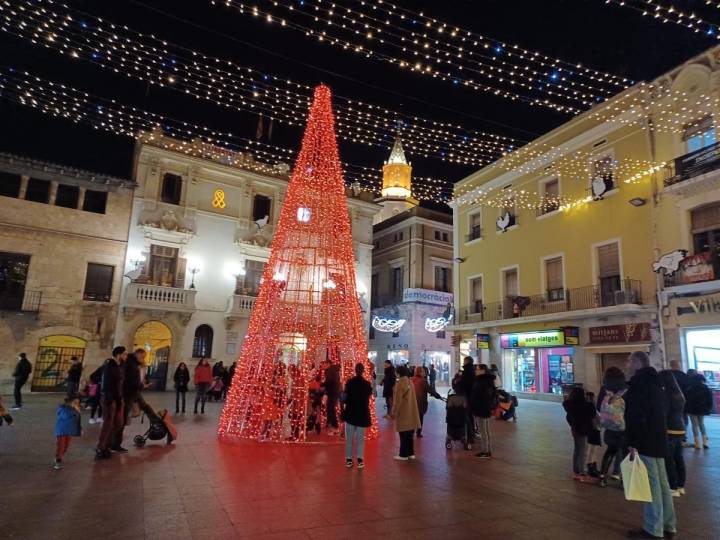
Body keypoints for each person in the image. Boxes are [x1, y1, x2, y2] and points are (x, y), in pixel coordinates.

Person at [624, 351, 676, 539]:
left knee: (652, 486)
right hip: (659, 440)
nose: (626, 364)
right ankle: (668, 525)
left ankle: (653, 529)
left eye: (629, 361)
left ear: (637, 363)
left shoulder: (640, 386)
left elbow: (637, 417)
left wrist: (633, 442)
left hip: (645, 441)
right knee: (662, 484)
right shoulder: (657, 384)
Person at [115, 348, 156, 452]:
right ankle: (115, 444)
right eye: (142, 357)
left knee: (145, 406)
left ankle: (156, 422)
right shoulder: (131, 365)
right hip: (129, 393)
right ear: (138, 354)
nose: (143, 359)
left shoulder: (133, 364)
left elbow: (134, 380)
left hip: (134, 392)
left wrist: (141, 384)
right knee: (123, 418)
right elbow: (131, 381)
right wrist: (142, 386)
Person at [95, 346, 127, 461]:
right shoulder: (109, 365)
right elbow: (101, 379)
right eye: (124, 354)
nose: (125, 356)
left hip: (118, 398)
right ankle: (101, 448)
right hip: (109, 399)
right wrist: (108, 396)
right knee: (108, 424)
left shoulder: (119, 366)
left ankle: (106, 445)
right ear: (118, 354)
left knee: (119, 422)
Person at [597, 366, 627, 487]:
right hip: (621, 428)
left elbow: (598, 405)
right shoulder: (624, 390)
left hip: (608, 428)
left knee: (610, 451)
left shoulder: (604, 390)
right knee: (624, 453)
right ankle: (623, 481)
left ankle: (602, 477)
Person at [658, 370, 686, 497]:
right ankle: (681, 485)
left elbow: (664, 413)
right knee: (679, 458)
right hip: (680, 428)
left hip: (669, 429)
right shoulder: (679, 394)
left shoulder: (666, 394)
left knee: (669, 460)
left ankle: (672, 486)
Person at [341, 362, 373, 469]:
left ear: (355, 370)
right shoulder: (367, 384)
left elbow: (344, 398)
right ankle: (360, 459)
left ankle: (349, 459)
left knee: (349, 438)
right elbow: (369, 395)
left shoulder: (349, 383)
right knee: (360, 439)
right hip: (362, 413)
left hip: (350, 413)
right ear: (363, 371)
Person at [562, 386, 597, 481]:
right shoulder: (587, 405)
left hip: (575, 429)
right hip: (584, 429)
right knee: (582, 450)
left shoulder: (570, 405)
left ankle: (576, 470)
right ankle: (581, 471)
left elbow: (568, 415)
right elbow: (593, 415)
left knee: (577, 449)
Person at [391, 365, 421, 461]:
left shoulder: (400, 383)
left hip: (403, 412)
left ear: (398, 373)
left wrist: (393, 412)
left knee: (403, 433)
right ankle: (410, 453)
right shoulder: (409, 381)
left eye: (396, 372)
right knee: (409, 434)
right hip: (411, 411)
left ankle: (403, 454)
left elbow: (397, 400)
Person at [469, 363, 497, 459]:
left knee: (482, 430)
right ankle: (488, 449)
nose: (476, 371)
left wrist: (473, 404)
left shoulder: (481, 382)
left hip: (480, 408)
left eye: (477, 369)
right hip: (485, 408)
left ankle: (485, 451)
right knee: (486, 429)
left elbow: (480, 396)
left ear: (482, 370)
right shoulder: (488, 380)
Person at [685, 373, 713, 449]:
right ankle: (705, 442)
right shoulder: (705, 388)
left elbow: (686, 400)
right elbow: (710, 399)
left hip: (692, 409)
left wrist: (686, 409)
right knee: (701, 424)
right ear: (702, 380)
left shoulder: (690, 388)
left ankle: (697, 443)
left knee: (694, 425)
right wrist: (709, 407)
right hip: (702, 409)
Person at [454, 357, 477, 449]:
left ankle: (469, 436)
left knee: (466, 417)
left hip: (466, 397)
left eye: (464, 360)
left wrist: (457, 381)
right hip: (471, 397)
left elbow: (463, 384)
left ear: (467, 361)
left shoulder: (467, 371)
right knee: (470, 416)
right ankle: (472, 434)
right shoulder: (472, 370)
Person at [54, 394, 82, 470]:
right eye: (75, 402)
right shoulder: (63, 409)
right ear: (70, 402)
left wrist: (79, 428)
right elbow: (65, 416)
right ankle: (58, 460)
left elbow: (77, 421)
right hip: (61, 430)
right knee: (61, 446)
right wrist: (75, 411)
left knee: (66, 445)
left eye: (78, 403)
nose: (77, 404)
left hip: (69, 430)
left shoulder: (75, 409)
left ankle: (59, 457)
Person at [411, 366, 440, 438]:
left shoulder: (412, 379)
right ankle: (418, 432)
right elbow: (430, 390)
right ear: (420, 372)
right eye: (423, 371)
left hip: (412, 402)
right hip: (420, 402)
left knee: (413, 417)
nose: (425, 373)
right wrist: (437, 395)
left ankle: (411, 431)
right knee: (420, 418)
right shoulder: (423, 381)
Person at [585, 391, 602, 478]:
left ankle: (592, 466)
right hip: (594, 430)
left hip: (590, 430)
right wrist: (597, 427)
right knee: (593, 449)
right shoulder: (591, 407)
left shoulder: (585, 407)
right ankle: (591, 467)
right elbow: (593, 419)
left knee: (592, 448)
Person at [322, 360, 342, 435]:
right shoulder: (335, 370)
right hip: (335, 391)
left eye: (324, 364)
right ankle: (331, 424)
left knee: (331, 409)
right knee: (330, 408)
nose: (323, 366)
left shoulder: (328, 370)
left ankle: (335, 427)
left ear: (328, 364)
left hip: (332, 392)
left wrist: (322, 385)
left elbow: (329, 381)